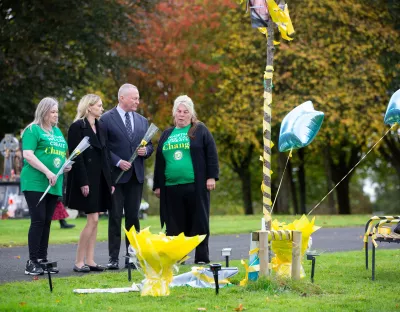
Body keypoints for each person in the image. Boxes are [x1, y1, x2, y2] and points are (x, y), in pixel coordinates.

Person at [153, 95, 219, 264]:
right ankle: (177, 257)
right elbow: (159, 161)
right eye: (179, 111)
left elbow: (211, 153)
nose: (181, 115)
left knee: (199, 221)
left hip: (195, 186)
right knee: (174, 224)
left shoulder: (199, 130)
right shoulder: (167, 134)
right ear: (174, 113)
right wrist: (158, 185)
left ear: (191, 114)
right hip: (171, 187)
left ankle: (202, 258)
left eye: (185, 112)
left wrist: (211, 176)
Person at [99, 84, 153, 270]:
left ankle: (132, 256)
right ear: (122, 98)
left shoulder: (142, 121)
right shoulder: (106, 119)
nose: (137, 101)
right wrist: (117, 161)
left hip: (135, 177)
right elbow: (103, 147)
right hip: (116, 177)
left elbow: (150, 146)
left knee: (133, 218)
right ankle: (113, 258)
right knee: (114, 217)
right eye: (134, 98)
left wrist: (146, 151)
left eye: (138, 98)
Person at [21, 97, 71, 275]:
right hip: (35, 182)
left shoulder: (57, 132)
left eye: (57, 111)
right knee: (38, 219)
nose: (56, 115)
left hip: (54, 183)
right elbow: (28, 154)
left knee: (47, 221)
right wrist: (47, 172)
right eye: (53, 111)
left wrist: (65, 165)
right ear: (43, 112)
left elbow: (60, 155)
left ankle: (42, 259)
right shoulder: (33, 130)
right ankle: (32, 262)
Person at [65, 94, 114, 273]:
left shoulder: (101, 126)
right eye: (99, 106)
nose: (102, 108)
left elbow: (105, 155)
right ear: (89, 107)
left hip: (101, 179)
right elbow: (76, 157)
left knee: (96, 220)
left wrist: (110, 181)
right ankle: (79, 261)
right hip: (86, 179)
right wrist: (83, 182)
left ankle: (91, 260)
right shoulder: (77, 127)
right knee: (92, 219)